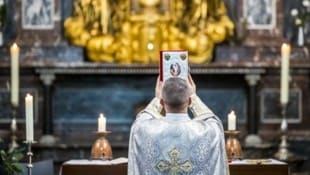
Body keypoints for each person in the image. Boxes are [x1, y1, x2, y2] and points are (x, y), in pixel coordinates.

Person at [128, 76, 229, 175]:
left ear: (162, 102)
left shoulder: (145, 130)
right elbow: (213, 121)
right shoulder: (207, 131)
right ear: (189, 101)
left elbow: (140, 120)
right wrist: (194, 97)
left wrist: (157, 98)